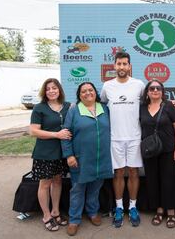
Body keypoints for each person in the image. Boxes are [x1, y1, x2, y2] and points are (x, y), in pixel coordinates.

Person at [61, 82, 113, 236]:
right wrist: (69, 155)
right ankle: (74, 219)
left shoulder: (105, 108)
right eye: (83, 91)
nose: (87, 93)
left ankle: (92, 212)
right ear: (79, 95)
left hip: (101, 157)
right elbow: (66, 134)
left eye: (90, 90)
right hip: (80, 158)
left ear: (95, 92)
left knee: (95, 188)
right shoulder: (74, 111)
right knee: (77, 189)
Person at [100, 52, 145, 228]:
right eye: (118, 64)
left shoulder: (139, 85)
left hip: (135, 137)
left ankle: (132, 207)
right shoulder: (107, 86)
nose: (121, 67)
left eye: (125, 64)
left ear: (129, 66)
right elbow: (102, 103)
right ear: (114, 66)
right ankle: (119, 208)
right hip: (115, 138)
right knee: (118, 173)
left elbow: (150, 101)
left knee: (134, 172)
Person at [29, 78, 71, 231]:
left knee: (58, 182)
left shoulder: (68, 106)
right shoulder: (39, 108)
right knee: (45, 184)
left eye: (54, 88)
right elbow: (33, 131)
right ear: (44, 92)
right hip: (45, 153)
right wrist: (56, 135)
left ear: (59, 90)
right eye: (48, 89)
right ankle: (46, 215)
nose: (51, 91)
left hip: (62, 152)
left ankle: (55, 211)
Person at [139, 79, 175, 228]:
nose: (155, 90)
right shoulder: (142, 108)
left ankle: (170, 211)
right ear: (147, 92)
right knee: (153, 180)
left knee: (169, 180)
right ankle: (159, 209)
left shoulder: (169, 106)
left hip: (168, 151)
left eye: (158, 88)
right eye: (152, 88)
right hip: (150, 151)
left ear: (162, 91)